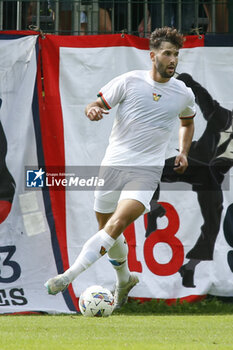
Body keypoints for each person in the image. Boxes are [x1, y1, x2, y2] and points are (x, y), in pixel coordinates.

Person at [45, 27, 196, 309]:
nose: (173, 59)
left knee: (116, 226)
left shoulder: (182, 93)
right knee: (106, 231)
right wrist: (92, 110)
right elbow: (95, 104)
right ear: (153, 56)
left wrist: (183, 152)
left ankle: (69, 275)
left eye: (176, 54)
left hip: (146, 171)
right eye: (167, 53)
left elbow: (187, 122)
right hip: (113, 165)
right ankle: (124, 279)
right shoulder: (129, 82)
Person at [147, 73, 233, 288]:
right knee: (151, 170)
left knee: (213, 220)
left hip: (210, 178)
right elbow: (205, 100)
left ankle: (190, 267)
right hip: (193, 161)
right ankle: (153, 207)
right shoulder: (224, 118)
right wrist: (190, 82)